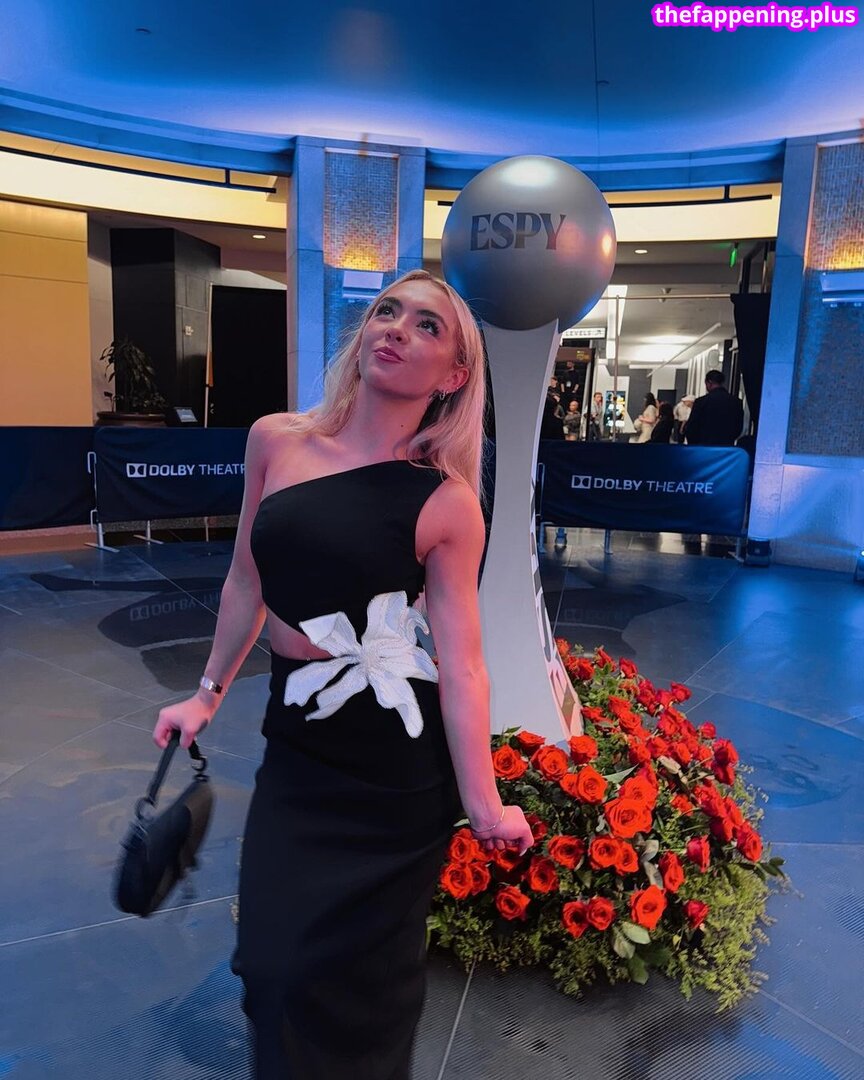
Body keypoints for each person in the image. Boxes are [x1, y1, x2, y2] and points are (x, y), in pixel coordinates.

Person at [152, 269, 533, 1079]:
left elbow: (462, 663)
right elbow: (246, 579)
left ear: (454, 376)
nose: (396, 328)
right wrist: (205, 695)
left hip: (395, 774)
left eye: (428, 326)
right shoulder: (276, 440)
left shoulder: (446, 502)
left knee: (365, 993)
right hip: (300, 749)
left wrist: (484, 802)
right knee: (272, 969)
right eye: (387, 311)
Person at [684, 370, 744, 446]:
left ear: (709, 383)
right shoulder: (736, 402)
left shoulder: (701, 402)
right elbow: (738, 428)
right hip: (726, 446)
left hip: (703, 446)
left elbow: (692, 427)